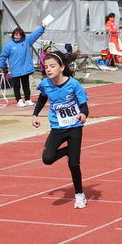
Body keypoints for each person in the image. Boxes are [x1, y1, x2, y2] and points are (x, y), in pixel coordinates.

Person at [32, 50, 90, 209]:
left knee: (73, 164)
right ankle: (68, 150)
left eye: (52, 66)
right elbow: (42, 98)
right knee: (47, 158)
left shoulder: (73, 84)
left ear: (62, 67)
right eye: (46, 67)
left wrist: (83, 114)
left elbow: (84, 105)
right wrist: (35, 115)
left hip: (74, 127)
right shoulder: (45, 84)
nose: (48, 69)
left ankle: (79, 195)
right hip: (57, 128)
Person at [0, 23, 46, 107]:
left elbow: (34, 35)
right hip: (15, 69)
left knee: (26, 84)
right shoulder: (8, 46)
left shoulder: (26, 41)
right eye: (15, 35)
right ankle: (19, 100)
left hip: (25, 68)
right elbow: (3, 57)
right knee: (16, 85)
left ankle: (27, 99)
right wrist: (1, 66)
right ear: (13, 35)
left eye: (19, 35)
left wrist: (42, 27)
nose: (17, 37)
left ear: (22, 35)